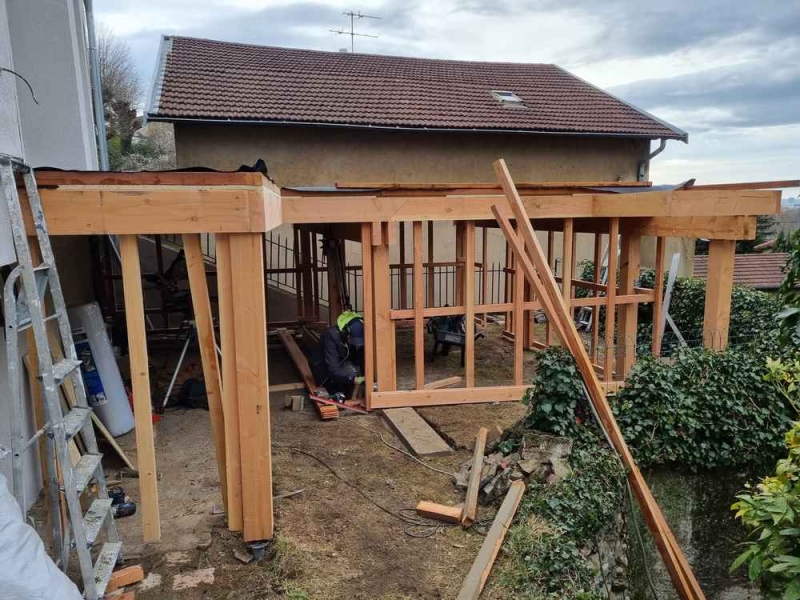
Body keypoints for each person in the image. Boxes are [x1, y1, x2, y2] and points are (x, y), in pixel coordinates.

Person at [310, 310, 365, 397]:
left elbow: (359, 357)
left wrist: (364, 375)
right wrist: (352, 378)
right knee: (348, 375)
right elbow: (333, 368)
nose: (356, 345)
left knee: (353, 370)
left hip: (342, 365)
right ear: (345, 333)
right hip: (324, 372)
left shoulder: (357, 336)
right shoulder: (331, 336)